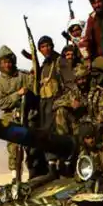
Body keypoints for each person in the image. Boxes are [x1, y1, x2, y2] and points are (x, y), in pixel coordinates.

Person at [0, 45, 44, 178]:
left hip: (28, 114)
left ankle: (35, 175)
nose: (7, 65)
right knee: (13, 147)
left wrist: (35, 72)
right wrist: (18, 94)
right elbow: (1, 102)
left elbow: (36, 88)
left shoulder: (23, 76)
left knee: (32, 146)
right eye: (4, 62)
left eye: (9, 61)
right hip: (10, 116)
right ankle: (15, 177)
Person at [53, 64, 103, 145]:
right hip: (78, 125)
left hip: (93, 126)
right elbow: (55, 104)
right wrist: (70, 104)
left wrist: (94, 125)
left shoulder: (99, 91)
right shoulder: (73, 92)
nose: (82, 82)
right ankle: (65, 142)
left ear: (88, 77)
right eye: (79, 79)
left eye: (83, 78)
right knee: (60, 111)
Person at [37, 36, 63, 170]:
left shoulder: (59, 61)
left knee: (57, 131)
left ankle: (60, 163)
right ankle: (51, 163)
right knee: (45, 131)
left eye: (48, 45)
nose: (46, 49)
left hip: (56, 101)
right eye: (42, 47)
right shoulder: (43, 66)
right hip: (44, 103)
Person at [81, 0, 103, 65]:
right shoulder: (91, 19)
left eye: (99, 1)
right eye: (93, 3)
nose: (97, 5)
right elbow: (85, 40)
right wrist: (87, 58)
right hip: (102, 57)